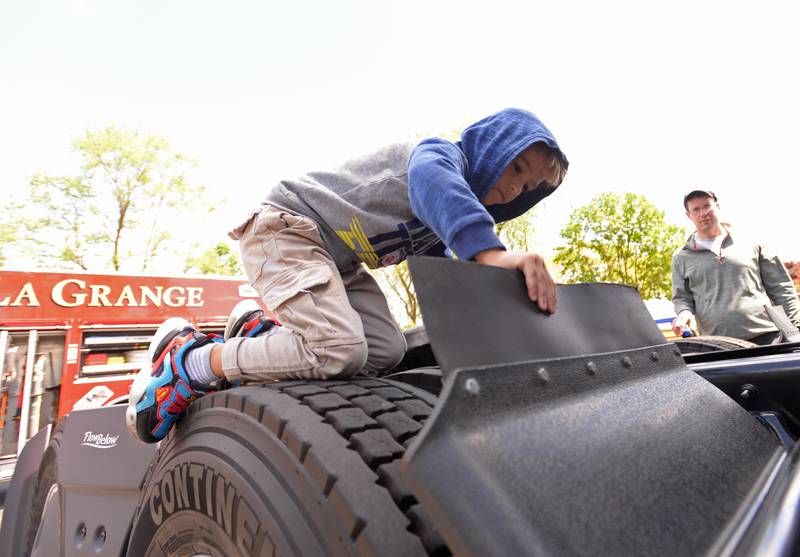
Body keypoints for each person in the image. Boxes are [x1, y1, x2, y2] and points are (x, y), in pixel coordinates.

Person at [127, 108, 569, 443]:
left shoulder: (444, 220)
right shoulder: (438, 158)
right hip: (286, 229)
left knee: (385, 349)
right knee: (340, 350)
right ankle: (191, 362)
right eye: (516, 168)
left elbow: (451, 273)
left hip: (337, 262)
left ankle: (261, 334)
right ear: (490, 147)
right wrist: (492, 254)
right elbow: (443, 193)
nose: (515, 188)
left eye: (528, 188)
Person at [671, 189, 800, 344]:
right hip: (717, 344)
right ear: (688, 215)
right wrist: (684, 312)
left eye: (707, 206)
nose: (703, 213)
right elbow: (681, 298)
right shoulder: (681, 257)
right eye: (696, 209)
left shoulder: (752, 242)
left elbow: (781, 287)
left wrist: (797, 326)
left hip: (769, 336)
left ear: (717, 206)